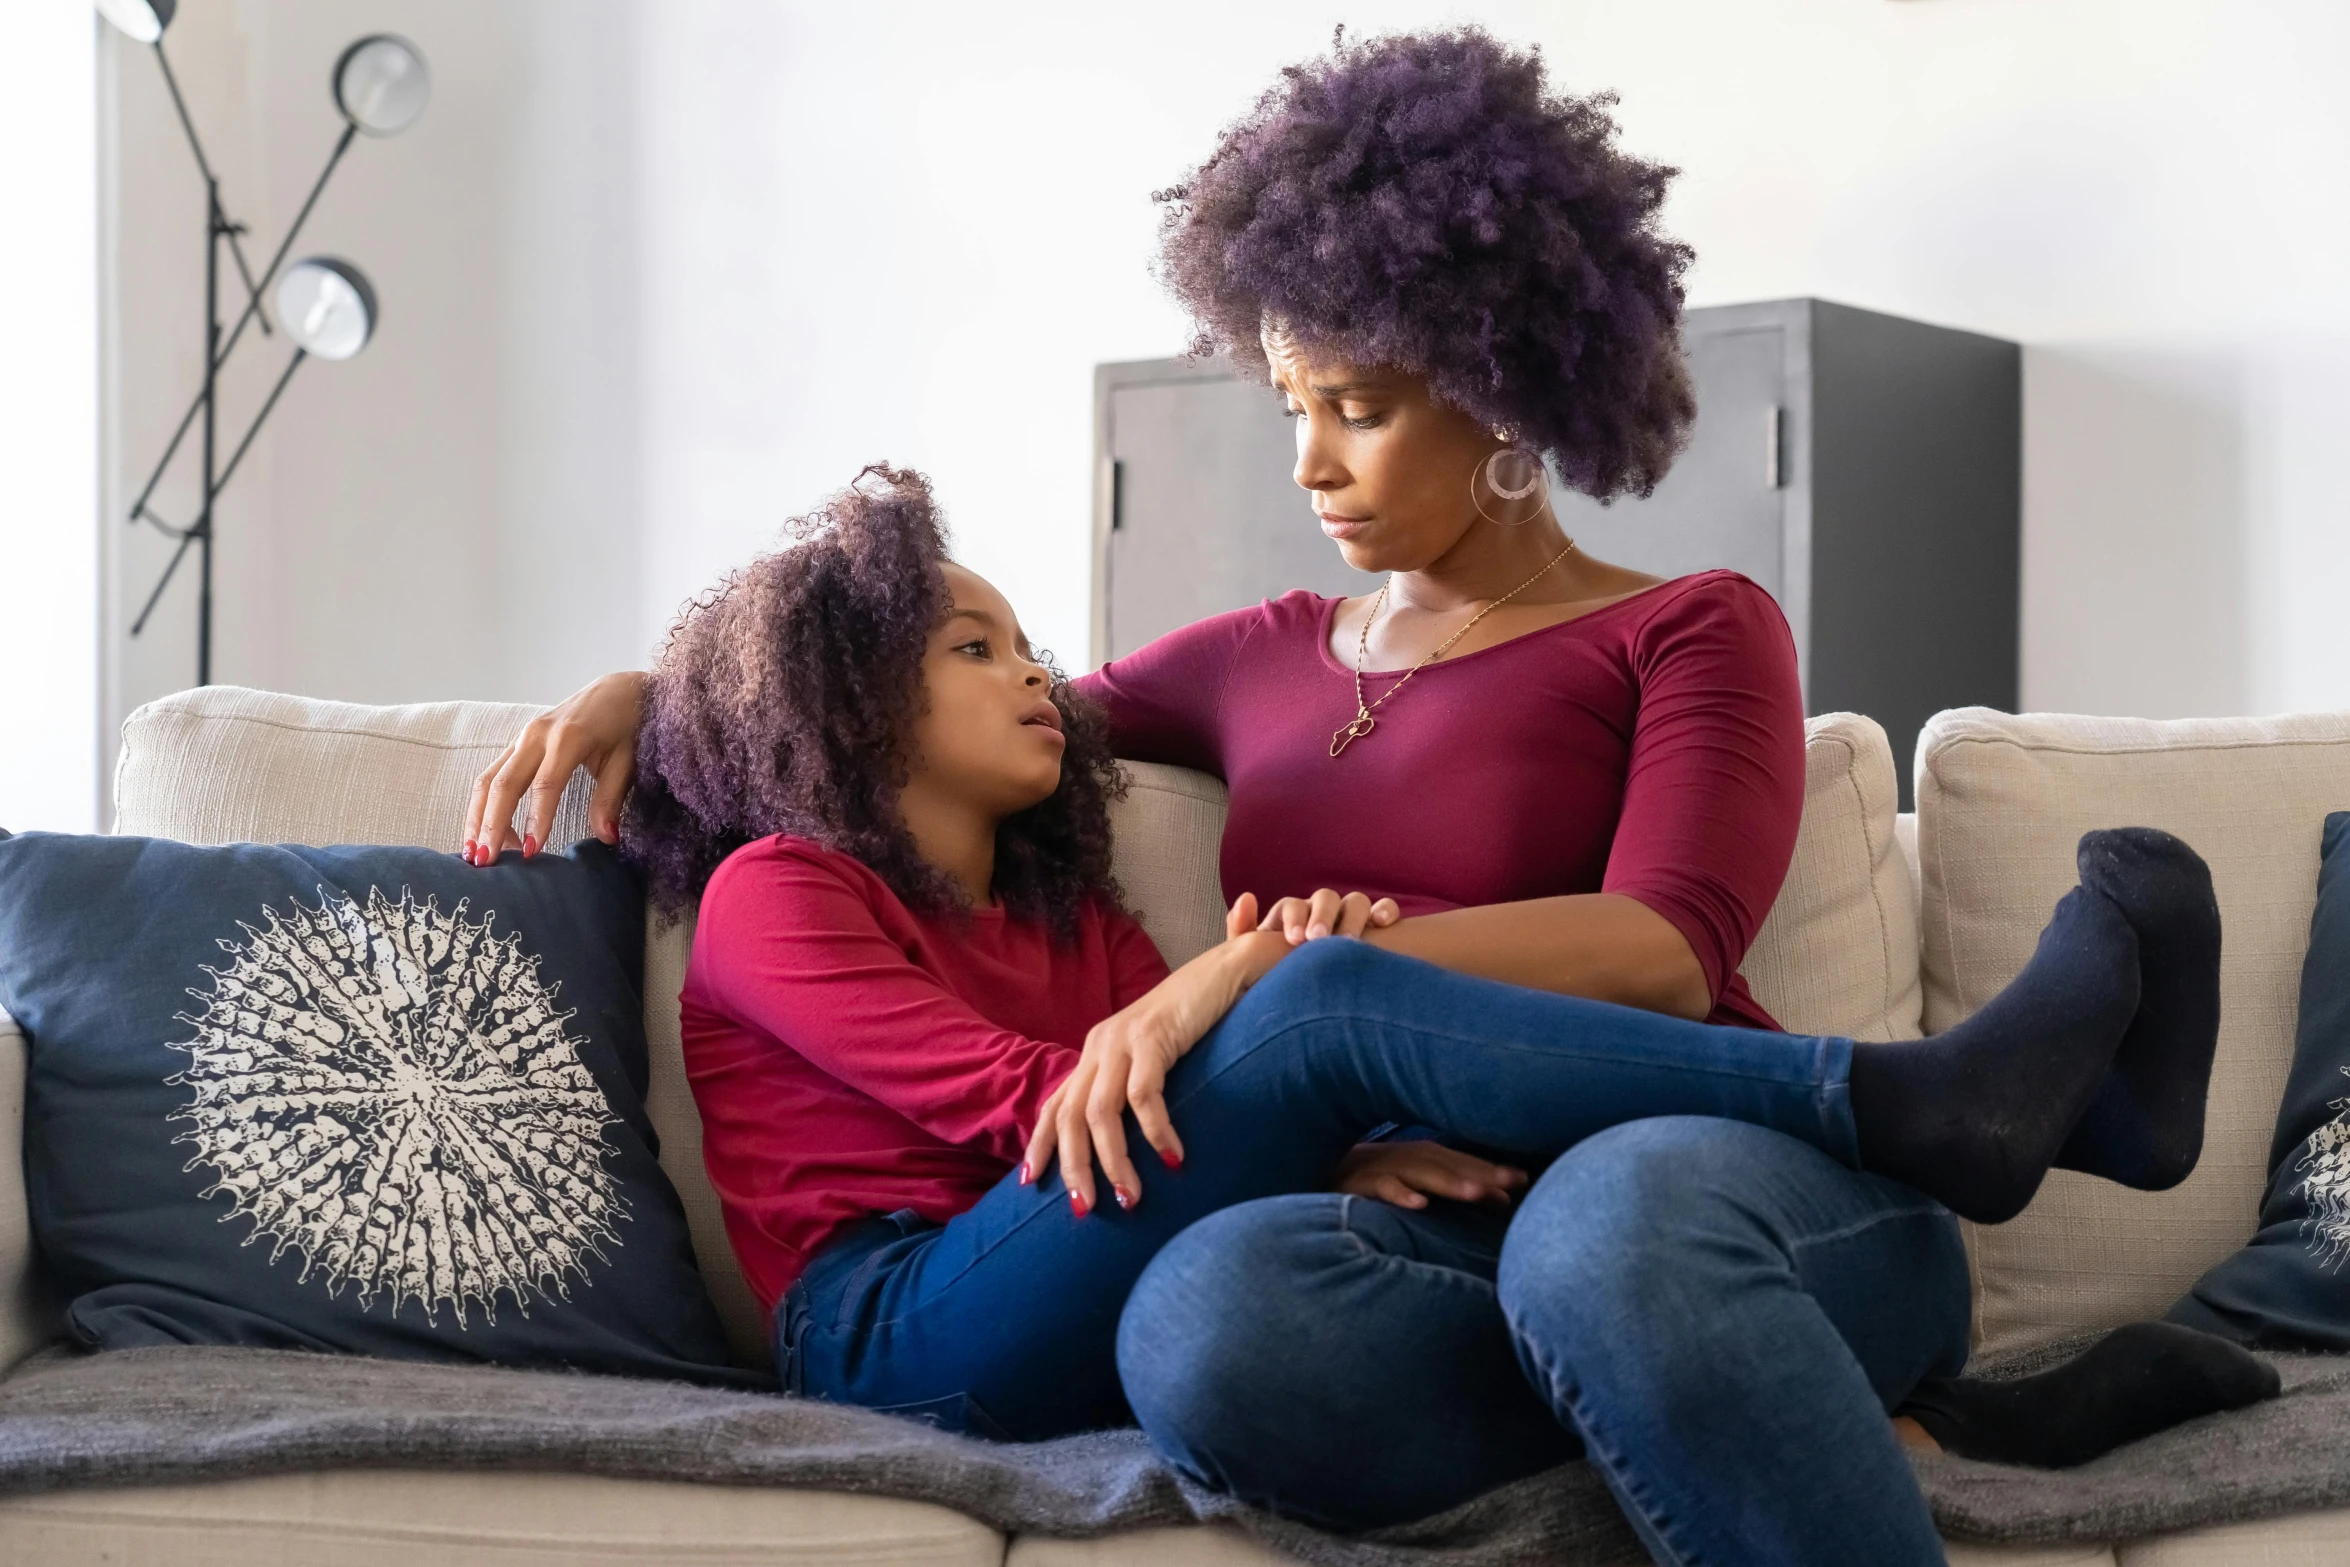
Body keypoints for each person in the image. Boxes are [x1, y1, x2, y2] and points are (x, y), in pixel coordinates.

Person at [461, 28, 2263, 1566]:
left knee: (1602, 1239)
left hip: (1715, 1182)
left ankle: (1923, 1129)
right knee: (1205, 1321)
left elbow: (1657, 949)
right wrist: (658, 691)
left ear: (1500, 388)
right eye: (1288, 403)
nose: (1310, 460)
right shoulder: (1248, 652)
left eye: (1361, 406)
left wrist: (1262, 979)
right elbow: (910, 713)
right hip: (1412, 1231)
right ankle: (1911, 1438)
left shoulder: (1690, 631)